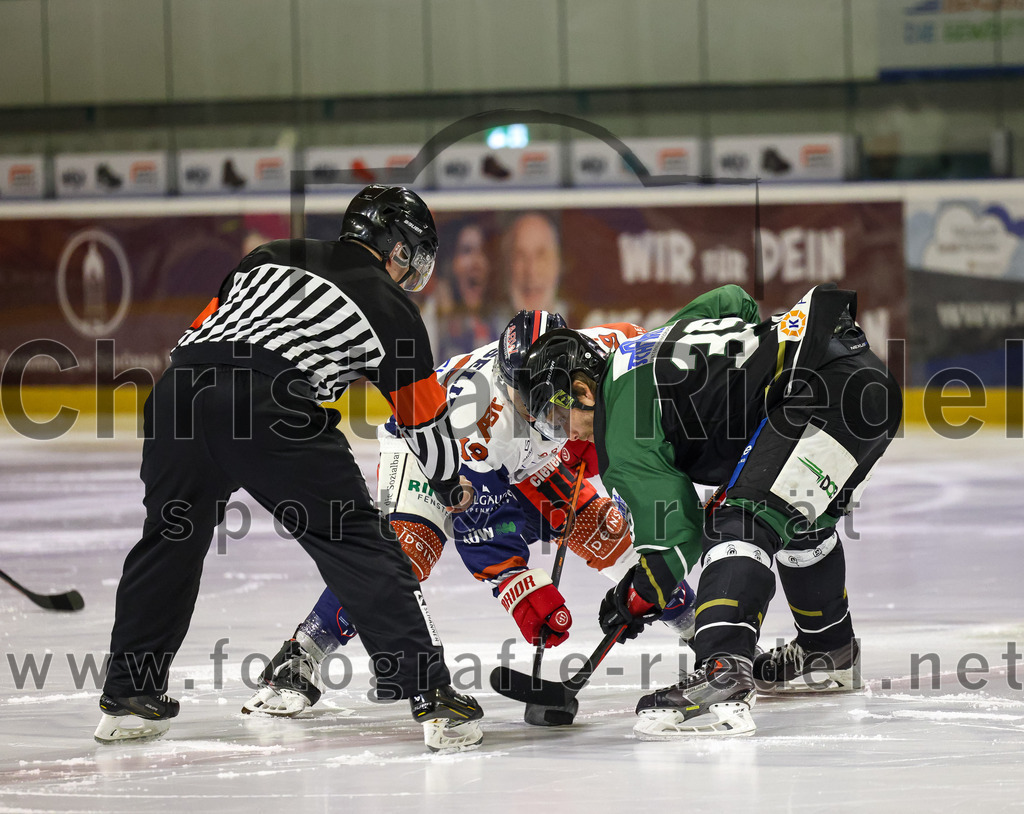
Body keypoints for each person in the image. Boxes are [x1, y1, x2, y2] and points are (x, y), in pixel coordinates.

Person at [95, 185, 484, 753]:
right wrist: (449, 482)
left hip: (177, 395)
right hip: (267, 403)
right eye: (413, 257)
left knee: (170, 537)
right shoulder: (390, 305)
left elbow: (205, 331)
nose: (411, 273)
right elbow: (422, 420)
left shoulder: (268, 254)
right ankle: (432, 698)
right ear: (398, 249)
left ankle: (128, 696)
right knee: (358, 541)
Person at [242, 310, 697, 724]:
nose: (543, 415)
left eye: (553, 404)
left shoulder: (607, 348)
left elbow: (675, 367)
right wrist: (519, 588)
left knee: (610, 536)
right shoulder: (480, 417)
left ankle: (712, 640)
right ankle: (300, 655)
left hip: (524, 455)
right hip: (431, 451)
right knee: (405, 554)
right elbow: (482, 524)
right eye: (529, 399)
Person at [517, 283, 902, 737]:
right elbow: (732, 300)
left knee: (739, 521)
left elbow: (675, 535)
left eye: (556, 418)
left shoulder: (619, 424)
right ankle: (828, 648)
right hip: (864, 382)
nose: (565, 436)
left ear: (581, 389)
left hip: (820, 395)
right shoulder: (646, 347)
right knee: (798, 521)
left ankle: (723, 670)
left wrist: (639, 595)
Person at [434, 220, 504, 359]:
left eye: (483, 251)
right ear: (449, 263)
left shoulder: (502, 321)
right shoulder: (432, 322)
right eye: (467, 250)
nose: (477, 262)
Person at [504, 212, 563, 313]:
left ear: (557, 264)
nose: (531, 271)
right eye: (520, 256)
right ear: (507, 266)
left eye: (541, 256)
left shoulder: (585, 324)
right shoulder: (490, 326)